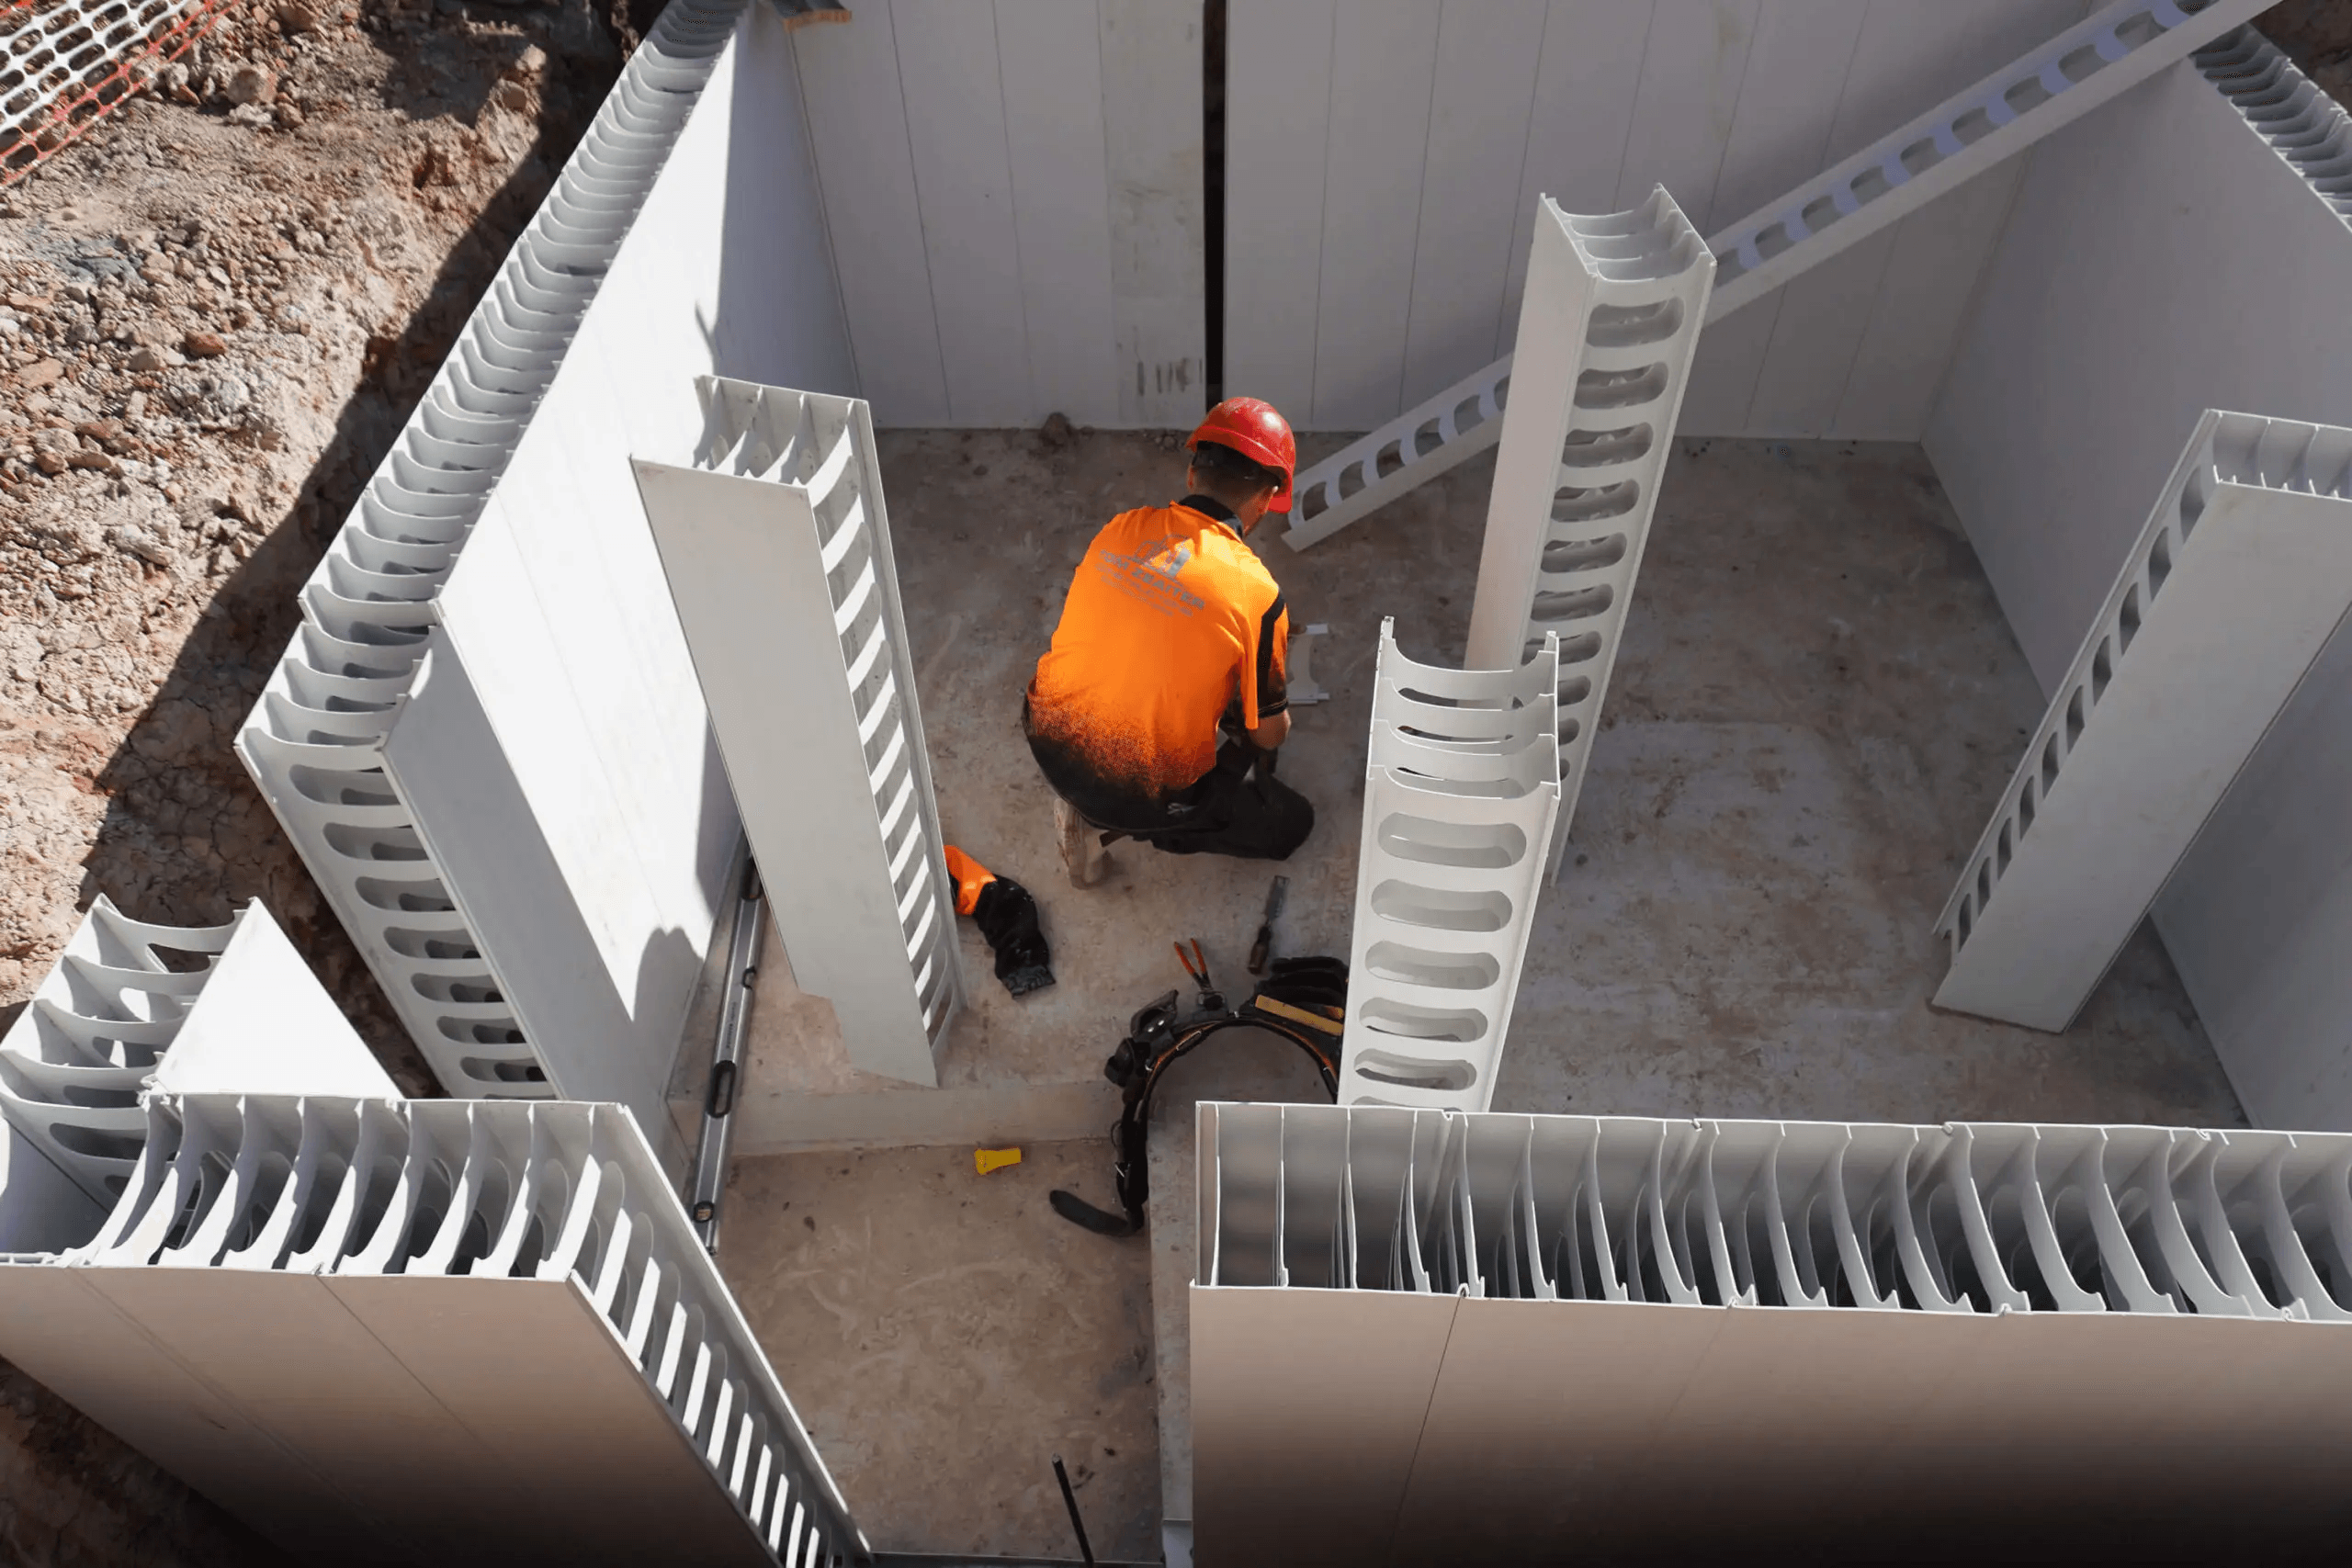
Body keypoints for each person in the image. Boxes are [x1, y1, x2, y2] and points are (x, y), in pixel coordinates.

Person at [1024, 397, 1314, 882]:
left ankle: (1098, 805)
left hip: (1044, 734)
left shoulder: (1122, 528)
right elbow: (1269, 733)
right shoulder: (1258, 594)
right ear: (1266, 499)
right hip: (1129, 790)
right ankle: (1108, 825)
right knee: (1289, 823)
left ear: (1191, 474)